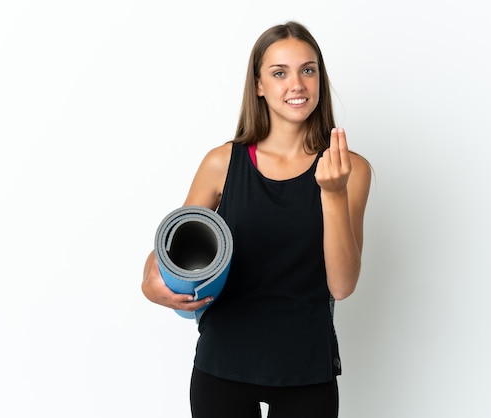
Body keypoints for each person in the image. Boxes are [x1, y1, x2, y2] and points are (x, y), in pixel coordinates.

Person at [142, 21, 371, 418]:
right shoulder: (222, 162)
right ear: (259, 85)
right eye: (279, 73)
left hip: (305, 369)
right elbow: (171, 246)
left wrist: (332, 193)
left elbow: (342, 285)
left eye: (308, 69)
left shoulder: (350, 169)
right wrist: (151, 283)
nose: (296, 84)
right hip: (223, 364)